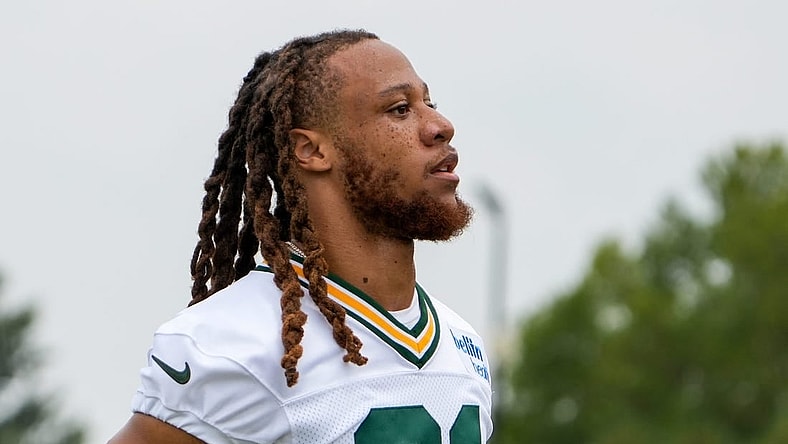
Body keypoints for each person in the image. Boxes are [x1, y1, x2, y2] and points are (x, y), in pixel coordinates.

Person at [109, 29, 493, 444]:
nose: (440, 126)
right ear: (311, 150)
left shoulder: (462, 342)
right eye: (400, 109)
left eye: (429, 103)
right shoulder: (229, 345)